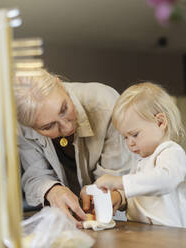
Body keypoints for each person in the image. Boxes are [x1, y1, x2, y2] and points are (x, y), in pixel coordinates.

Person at [14, 69, 136, 226]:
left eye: (64, 109)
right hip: (68, 223)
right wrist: (52, 190)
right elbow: (36, 174)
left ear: (60, 84)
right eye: (48, 126)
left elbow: (120, 176)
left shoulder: (105, 103)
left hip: (120, 219)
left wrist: (106, 195)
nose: (66, 128)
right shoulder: (21, 125)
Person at [95, 82, 186, 229]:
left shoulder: (172, 152)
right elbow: (140, 193)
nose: (129, 143)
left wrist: (120, 182)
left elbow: (164, 180)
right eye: (125, 137)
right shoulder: (140, 162)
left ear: (160, 122)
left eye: (134, 134)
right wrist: (121, 197)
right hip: (144, 232)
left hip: (176, 236)